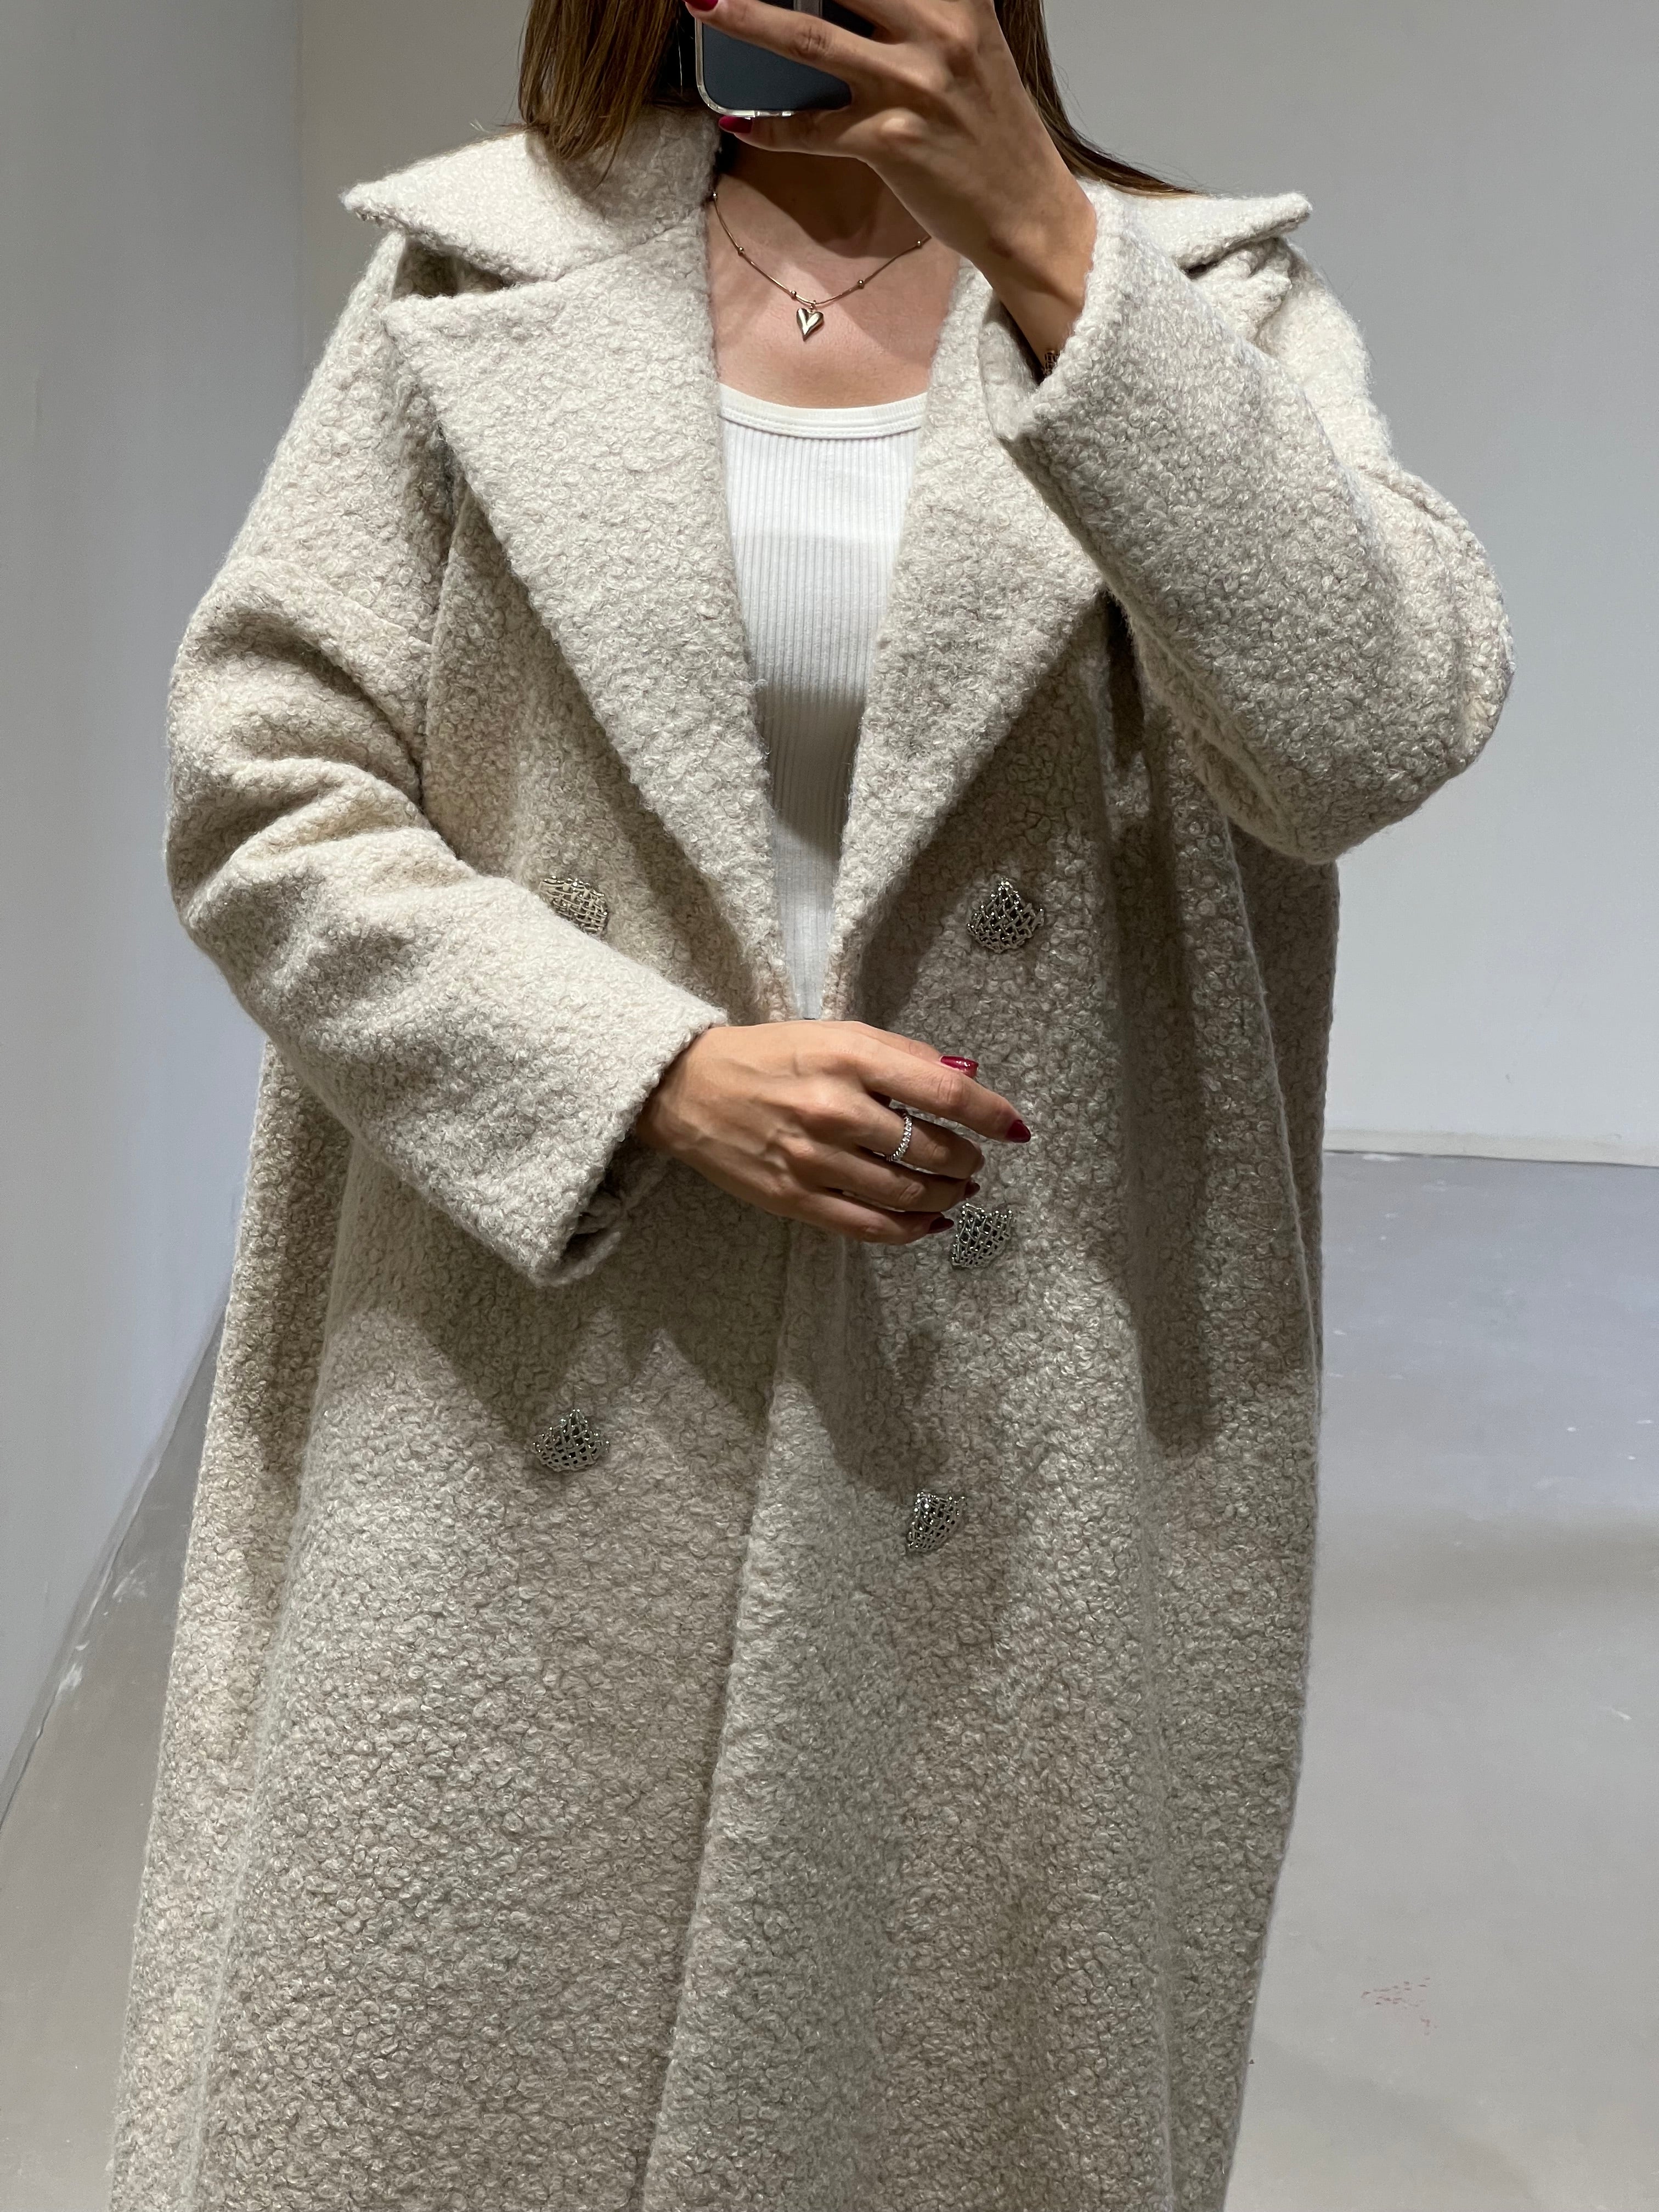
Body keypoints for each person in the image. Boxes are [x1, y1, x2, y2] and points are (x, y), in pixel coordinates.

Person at [110, 1, 1513, 2205]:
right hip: (521, 1378)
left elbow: (1372, 727)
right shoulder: (478, 274)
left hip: (997, 1402)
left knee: (912, 2094)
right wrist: (644, 1069)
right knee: (450, 2089)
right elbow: (265, 795)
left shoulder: (1198, 305)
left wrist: (1048, 249)